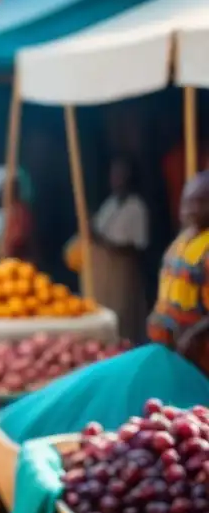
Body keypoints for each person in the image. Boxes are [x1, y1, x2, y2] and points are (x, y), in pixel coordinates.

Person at [148, 171, 209, 373]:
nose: (191, 209)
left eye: (200, 202)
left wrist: (193, 335)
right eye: (187, 203)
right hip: (169, 348)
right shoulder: (180, 241)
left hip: (197, 355)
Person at [89, 159, 149, 343]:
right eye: (114, 175)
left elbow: (137, 246)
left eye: (120, 175)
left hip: (123, 273)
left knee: (125, 321)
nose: (116, 179)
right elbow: (97, 231)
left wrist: (109, 244)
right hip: (104, 274)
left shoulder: (136, 207)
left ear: (129, 178)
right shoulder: (110, 204)